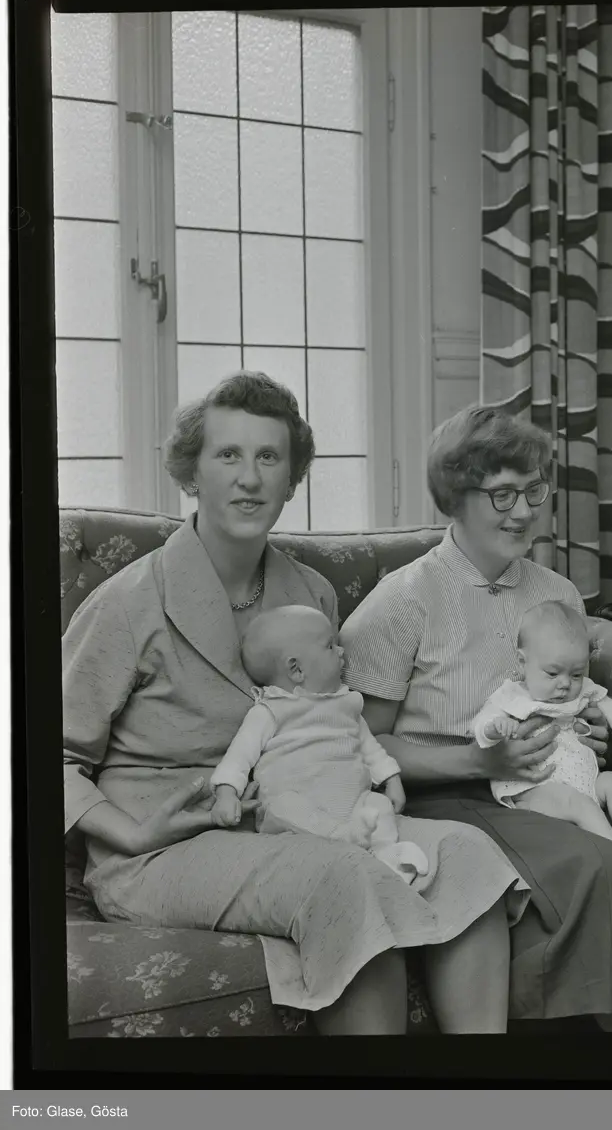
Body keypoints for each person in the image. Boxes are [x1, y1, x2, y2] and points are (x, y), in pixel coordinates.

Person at [63, 371, 526, 1034]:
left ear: (290, 479)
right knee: (343, 877)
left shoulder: (311, 594)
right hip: (164, 850)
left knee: (465, 853)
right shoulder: (128, 602)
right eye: (229, 455)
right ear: (192, 473)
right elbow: (43, 756)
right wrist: (132, 834)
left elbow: (334, 725)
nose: (250, 478)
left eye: (269, 457)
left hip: (297, 822)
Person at [340, 404, 612, 1031]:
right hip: (453, 798)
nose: (523, 511)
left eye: (534, 490)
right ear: (455, 497)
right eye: (502, 494)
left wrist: (593, 731)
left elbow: (580, 694)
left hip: (560, 781)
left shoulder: (556, 593)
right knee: (600, 868)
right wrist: (478, 759)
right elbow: (364, 745)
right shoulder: (401, 602)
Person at [209, 604, 431, 885]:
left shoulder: (346, 704)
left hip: (351, 802)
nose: (341, 651)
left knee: (377, 805)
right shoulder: (271, 711)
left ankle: (387, 855)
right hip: (301, 808)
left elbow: (370, 748)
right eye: (330, 646)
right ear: (296, 669)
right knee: (282, 807)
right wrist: (226, 794)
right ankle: (346, 841)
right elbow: (239, 758)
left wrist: (391, 779)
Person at [471, 600, 612, 861]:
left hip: (585, 781)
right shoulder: (512, 697)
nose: (565, 684)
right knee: (580, 804)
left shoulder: (583, 692)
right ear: (522, 662)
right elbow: (482, 725)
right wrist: (495, 728)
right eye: (552, 674)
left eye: (576, 674)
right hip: (536, 791)